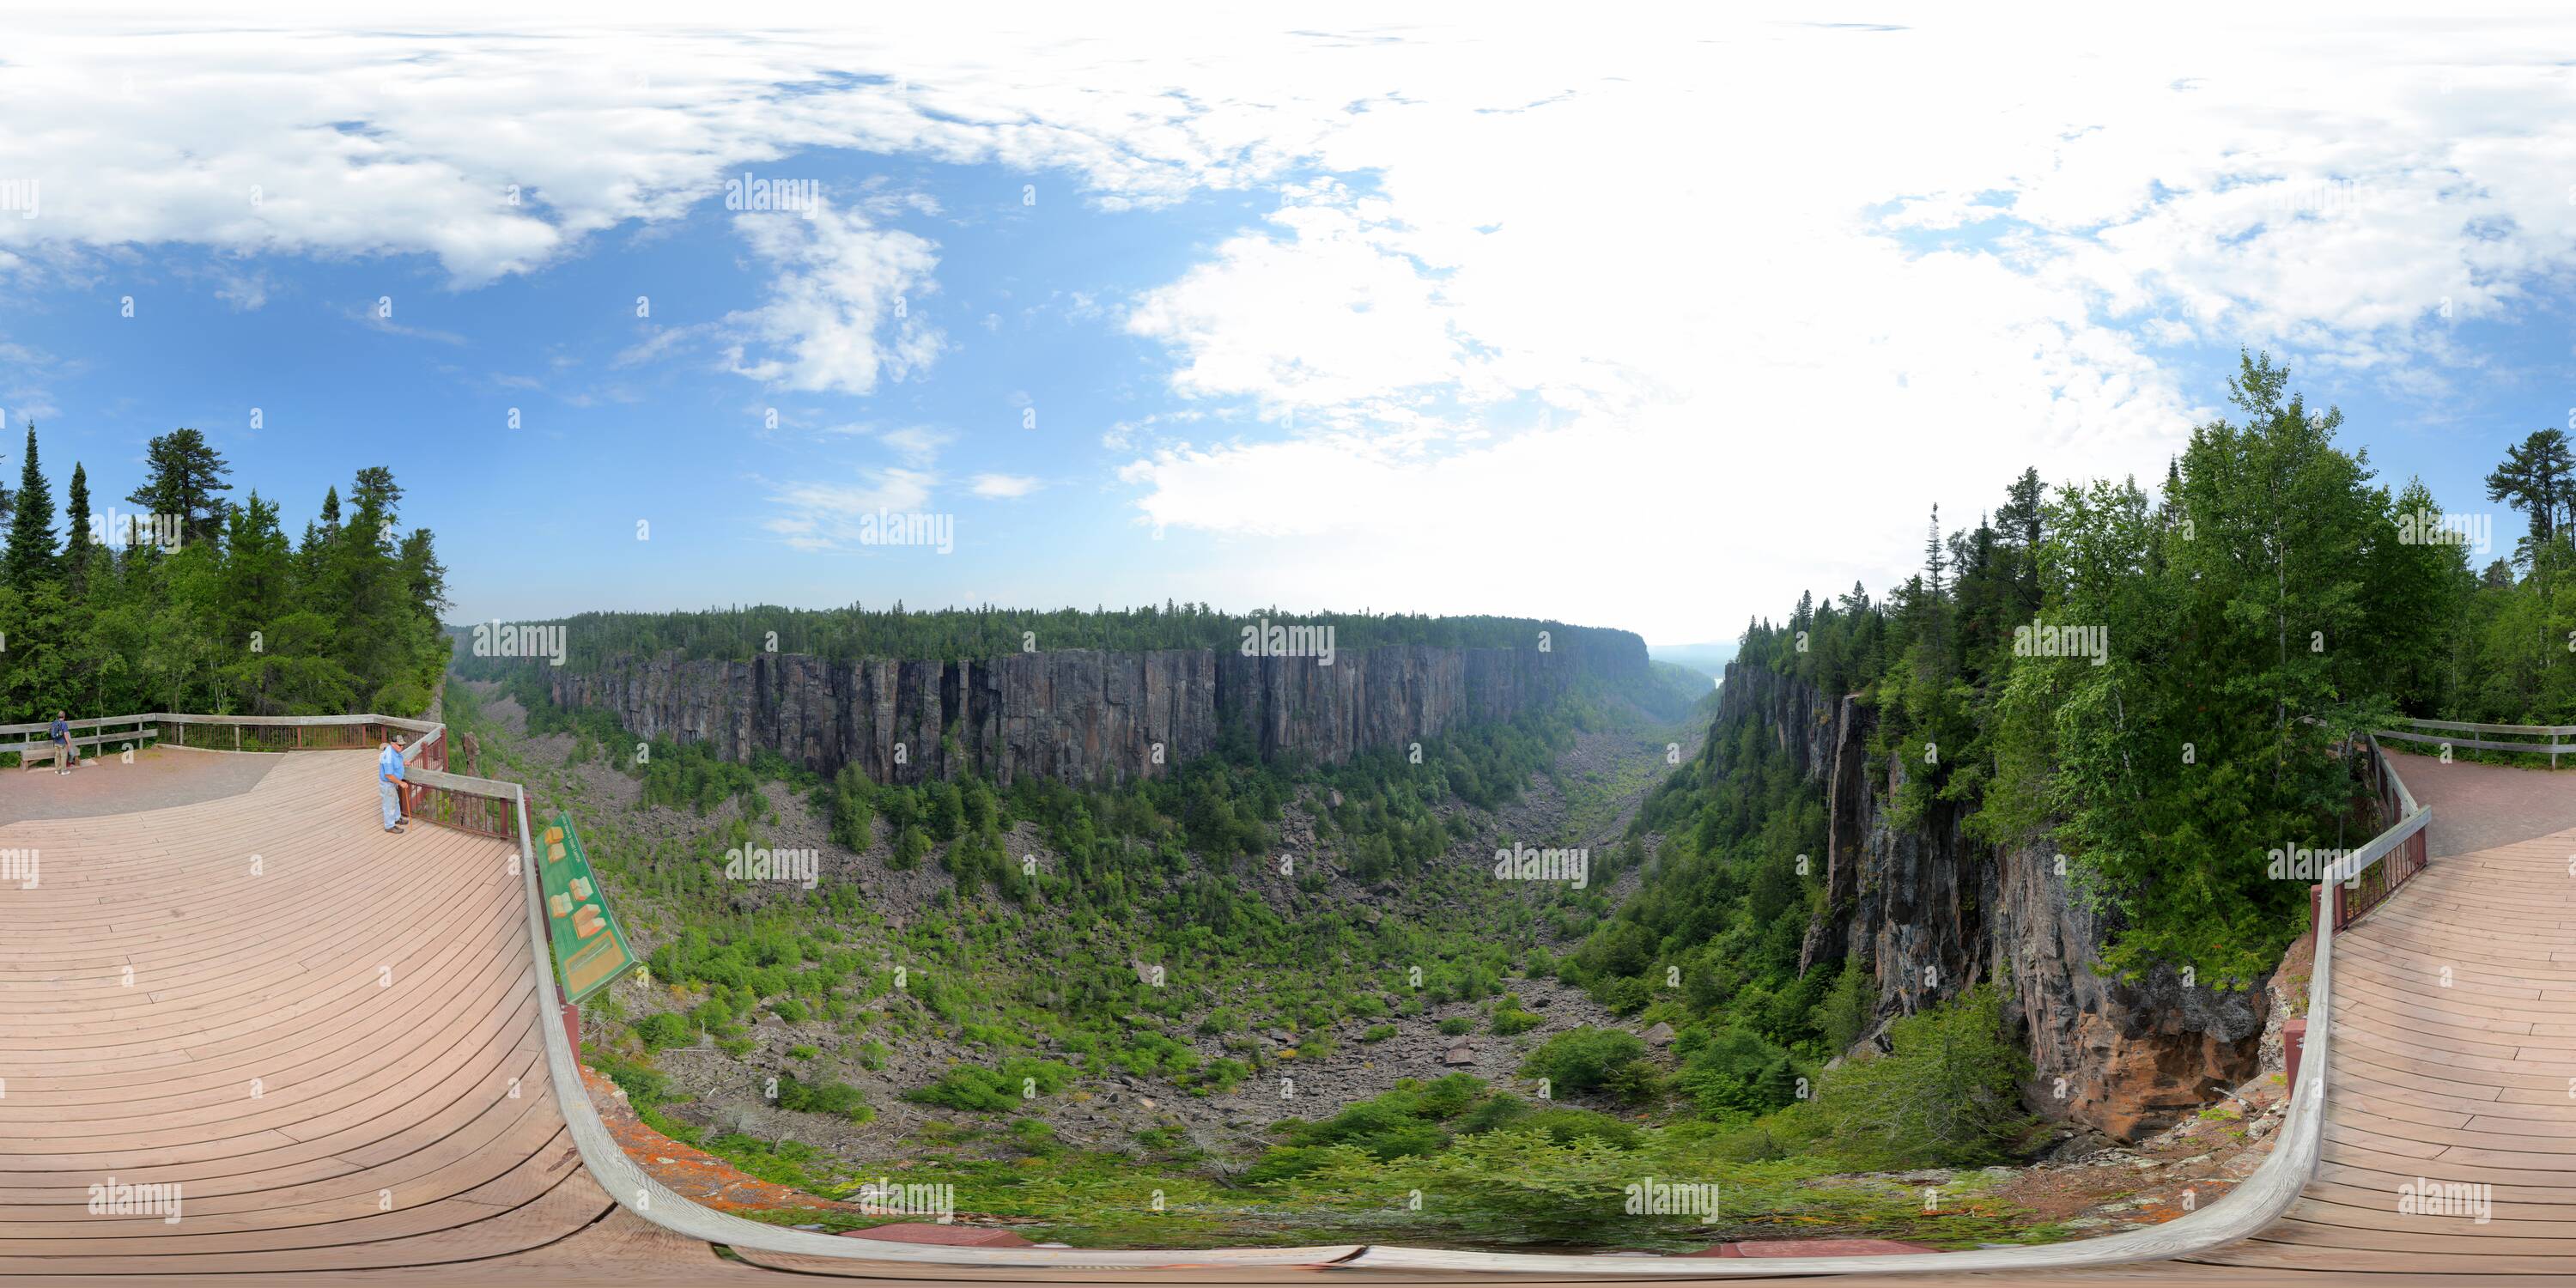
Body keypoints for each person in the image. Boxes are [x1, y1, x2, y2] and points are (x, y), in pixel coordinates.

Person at [378, 732, 408, 833]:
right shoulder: (388, 756)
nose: (402, 747)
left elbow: (396, 763)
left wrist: (403, 763)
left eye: (403, 744)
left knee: (395, 801)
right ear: (392, 744)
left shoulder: (395, 751)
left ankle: (396, 818)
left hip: (392, 783)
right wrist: (401, 783)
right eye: (399, 745)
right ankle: (389, 826)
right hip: (387, 784)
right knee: (389, 805)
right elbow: (388, 775)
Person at [47, 711, 80, 775]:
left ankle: (57, 770)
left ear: (58, 716)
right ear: (64, 717)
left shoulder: (54, 722)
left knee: (57, 756)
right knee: (63, 756)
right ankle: (63, 771)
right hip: (62, 743)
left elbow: (50, 731)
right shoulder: (64, 723)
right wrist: (69, 743)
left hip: (56, 743)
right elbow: (66, 734)